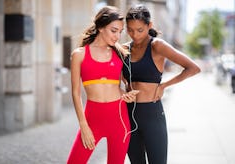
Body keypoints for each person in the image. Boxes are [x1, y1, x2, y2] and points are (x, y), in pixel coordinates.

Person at [122, 4, 201, 164]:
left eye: (140, 30)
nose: (135, 35)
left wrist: (164, 85)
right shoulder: (124, 49)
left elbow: (193, 68)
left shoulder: (157, 46)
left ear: (149, 26)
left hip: (152, 115)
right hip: (128, 115)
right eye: (130, 30)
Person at [67, 6, 139, 164]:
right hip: (92, 119)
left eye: (120, 32)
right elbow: (75, 93)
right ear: (100, 27)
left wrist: (127, 94)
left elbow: (122, 86)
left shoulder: (120, 54)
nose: (118, 36)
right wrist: (83, 126)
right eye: (114, 30)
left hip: (119, 119)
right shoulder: (79, 54)